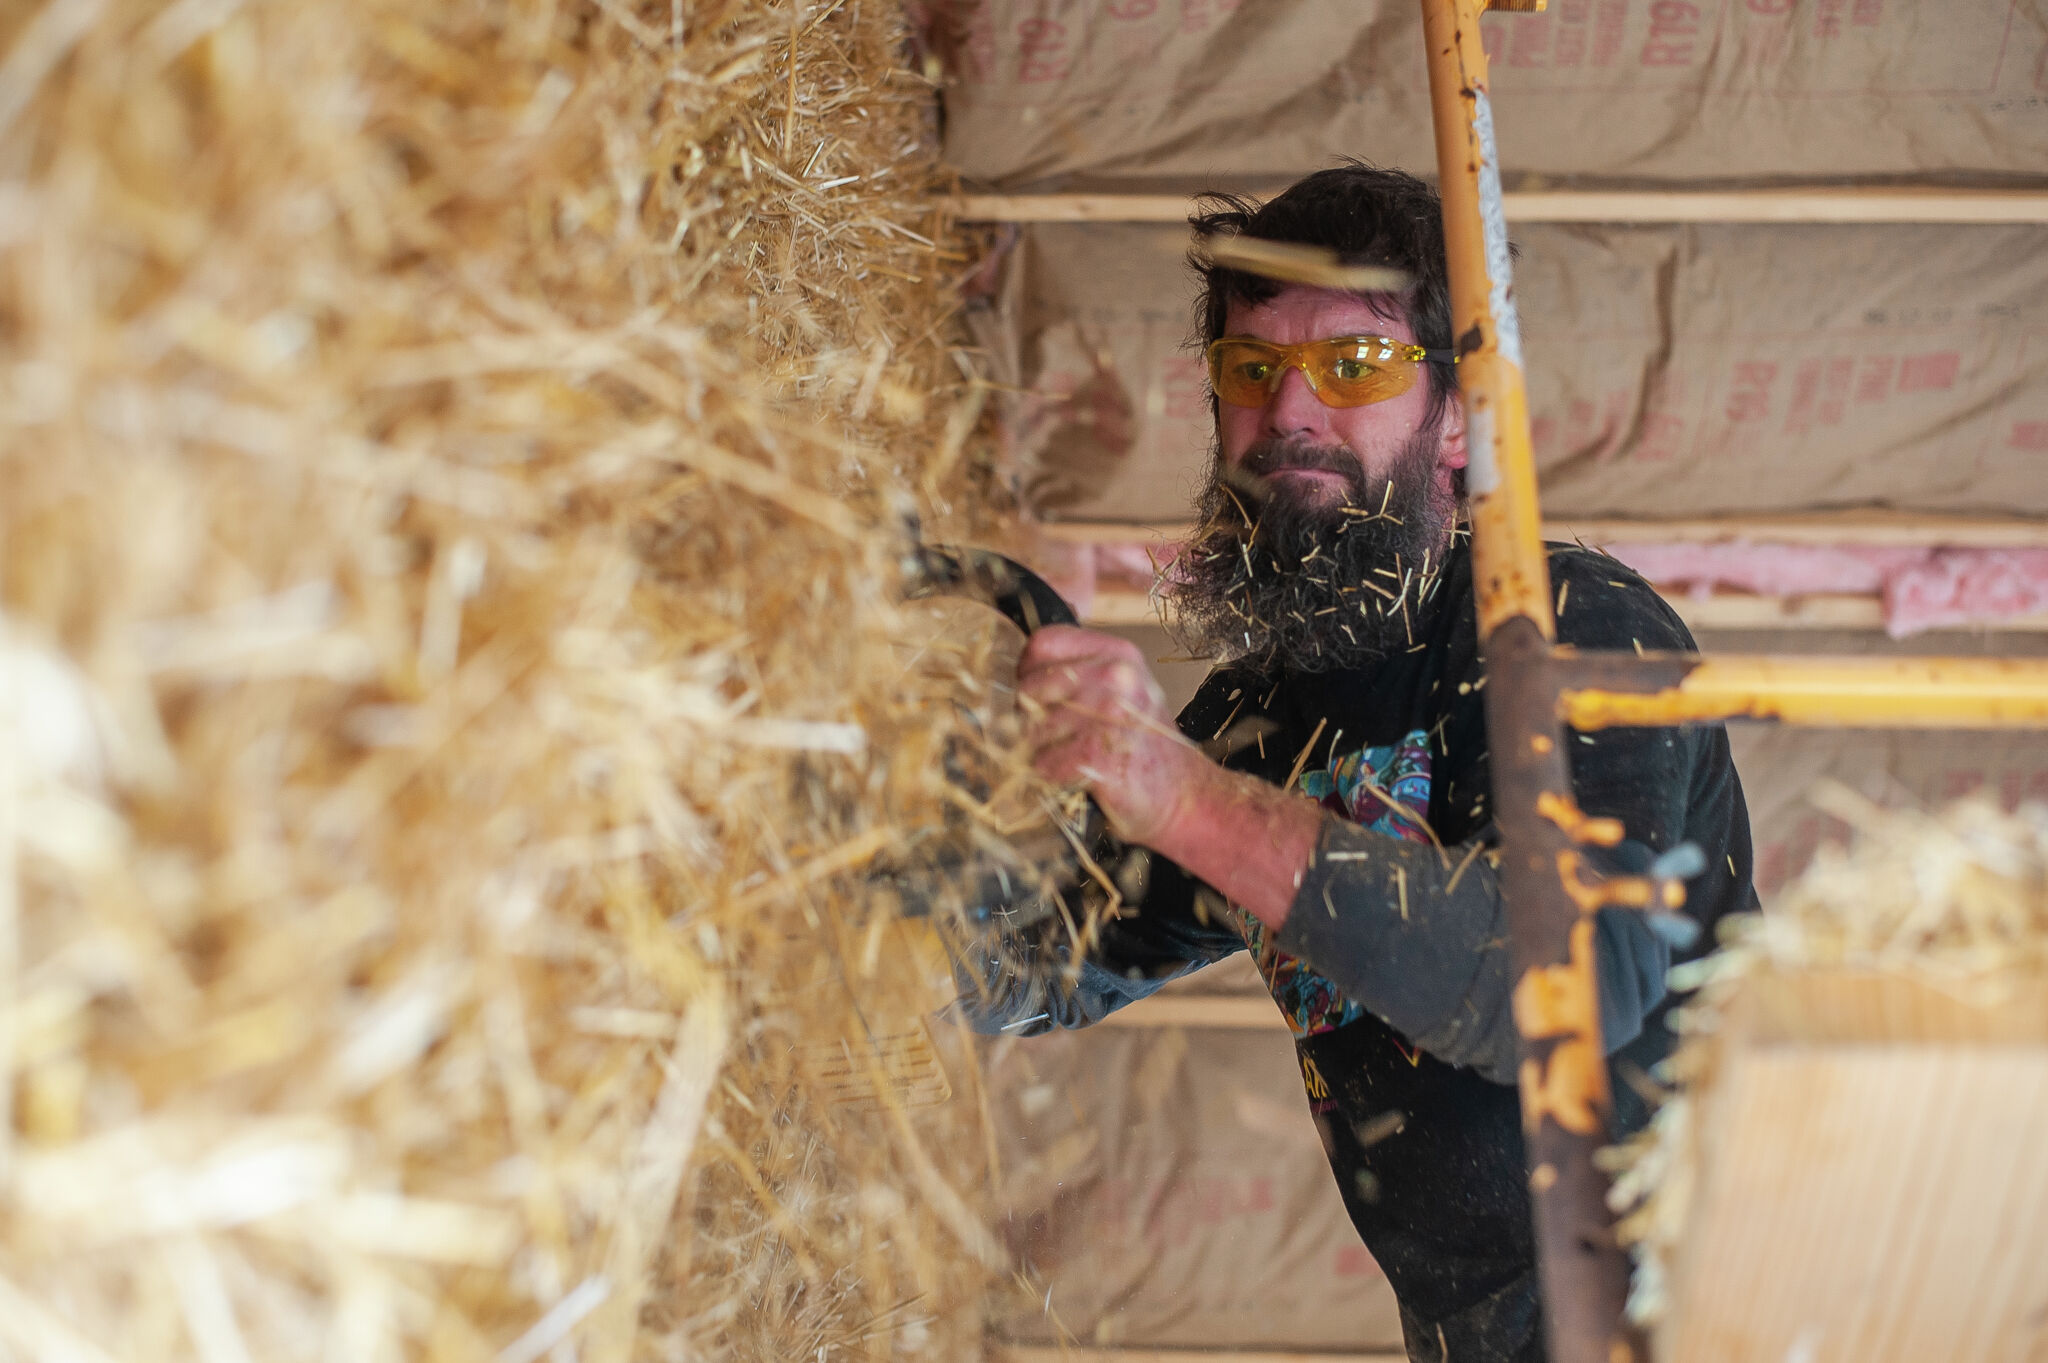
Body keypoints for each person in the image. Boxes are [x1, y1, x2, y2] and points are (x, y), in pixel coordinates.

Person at [955, 163, 1758, 1363]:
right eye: (1248, 368)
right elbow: (1032, 959)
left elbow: (1558, 990)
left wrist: (1180, 796)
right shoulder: (1261, 723)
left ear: (1452, 426)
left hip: (1708, 1320)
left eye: (1354, 366)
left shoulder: (1571, 632)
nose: (1287, 413)